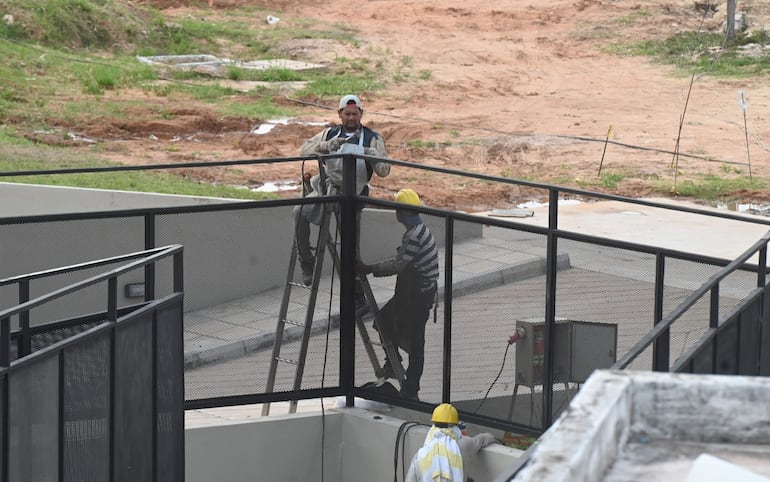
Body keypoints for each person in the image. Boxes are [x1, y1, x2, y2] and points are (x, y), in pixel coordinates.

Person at [294, 94, 390, 287]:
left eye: (355, 114)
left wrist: (373, 155)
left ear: (361, 114)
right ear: (340, 114)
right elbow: (303, 150)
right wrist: (325, 146)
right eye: (347, 114)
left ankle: (357, 293)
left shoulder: (372, 138)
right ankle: (306, 260)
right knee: (299, 213)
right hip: (327, 190)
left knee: (350, 247)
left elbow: (384, 171)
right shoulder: (330, 134)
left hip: (353, 197)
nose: (351, 118)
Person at [358, 188, 438, 399]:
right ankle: (395, 366)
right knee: (388, 323)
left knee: (413, 340)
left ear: (400, 214)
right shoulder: (422, 230)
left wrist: (370, 268)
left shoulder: (413, 236)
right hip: (419, 294)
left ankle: (410, 387)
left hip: (417, 297)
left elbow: (399, 265)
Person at [406, 403, 497, 482]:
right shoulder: (463, 445)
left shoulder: (419, 456)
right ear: (454, 425)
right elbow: (484, 439)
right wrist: (493, 437)